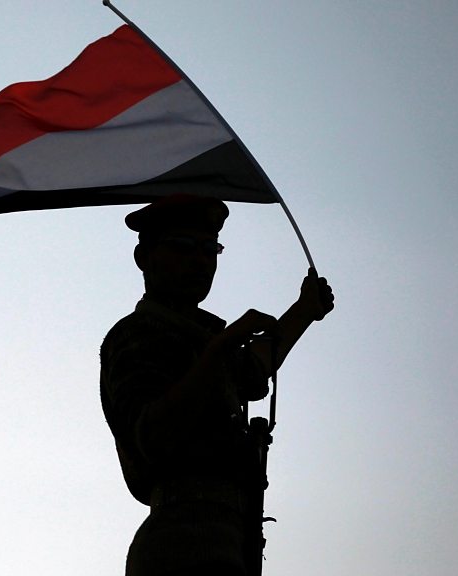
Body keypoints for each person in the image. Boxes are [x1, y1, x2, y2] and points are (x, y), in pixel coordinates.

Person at [99, 195, 334, 576]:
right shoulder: (137, 335)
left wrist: (304, 310)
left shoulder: (198, 339)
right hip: (181, 538)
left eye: (211, 249)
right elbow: (154, 436)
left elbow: (252, 369)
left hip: (229, 533)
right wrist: (221, 348)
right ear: (144, 258)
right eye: (182, 246)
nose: (200, 261)